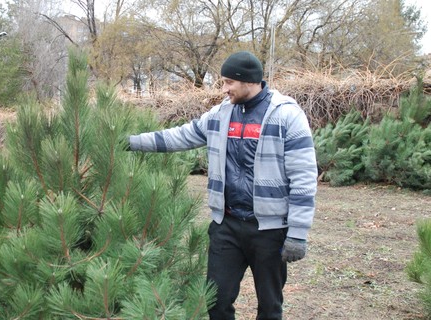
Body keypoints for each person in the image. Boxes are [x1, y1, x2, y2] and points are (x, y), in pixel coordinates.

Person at [127, 51, 317, 319]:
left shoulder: (286, 115)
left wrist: (297, 232)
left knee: (270, 307)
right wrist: (131, 142)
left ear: (248, 81)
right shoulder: (221, 114)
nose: (224, 88)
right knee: (216, 301)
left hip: (269, 231)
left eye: (229, 82)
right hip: (226, 226)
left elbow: (304, 176)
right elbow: (179, 136)